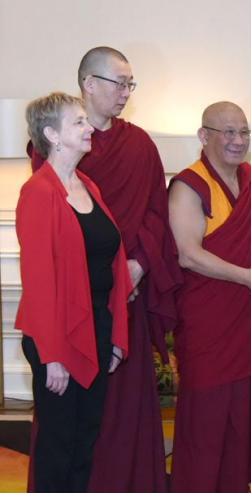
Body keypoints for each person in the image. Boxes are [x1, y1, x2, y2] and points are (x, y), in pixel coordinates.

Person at [28, 47, 183, 493]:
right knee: (64, 436)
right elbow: (48, 257)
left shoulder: (136, 147)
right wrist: (52, 352)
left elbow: (155, 211)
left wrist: (137, 265)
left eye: (131, 84)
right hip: (69, 314)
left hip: (118, 305)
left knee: (107, 417)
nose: (126, 93)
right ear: (89, 85)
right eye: (120, 83)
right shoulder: (51, 166)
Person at [168, 101, 251, 493]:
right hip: (211, 325)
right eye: (228, 132)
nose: (238, 141)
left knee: (243, 420)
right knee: (205, 423)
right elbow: (188, 254)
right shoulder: (188, 185)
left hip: (248, 321)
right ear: (204, 136)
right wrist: (244, 277)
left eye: (244, 132)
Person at [16, 92, 132, 492]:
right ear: (51, 133)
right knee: (57, 447)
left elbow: (112, 266)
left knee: (85, 443)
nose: (89, 128)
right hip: (57, 339)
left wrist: (115, 337)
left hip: (96, 330)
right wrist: (52, 356)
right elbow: (39, 281)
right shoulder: (38, 192)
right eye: (78, 122)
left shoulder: (89, 187)